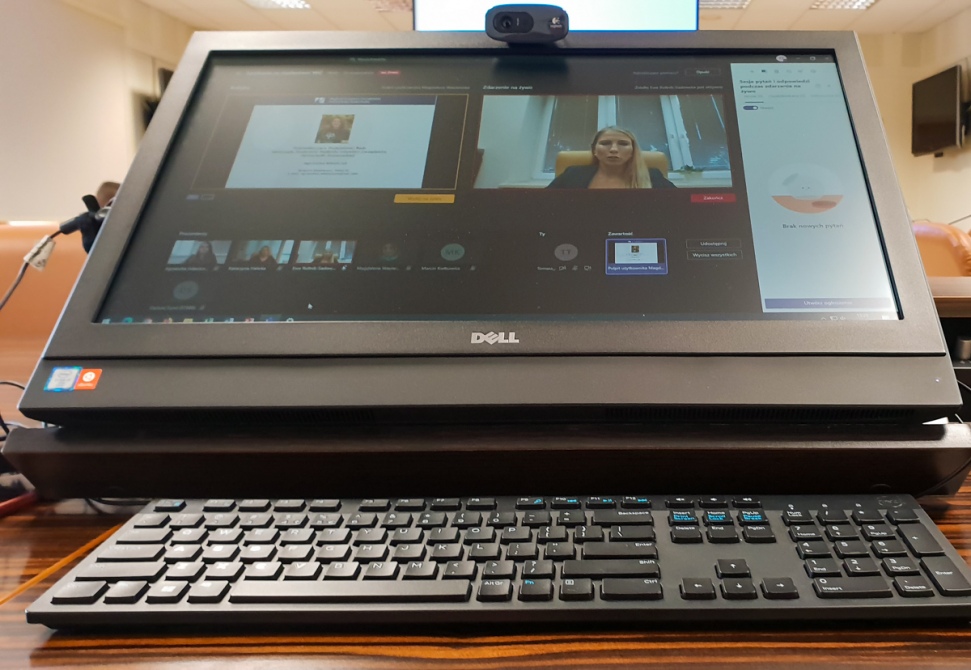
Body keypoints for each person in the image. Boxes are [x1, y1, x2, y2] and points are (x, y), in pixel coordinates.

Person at [546, 127, 676, 189]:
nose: (614, 149)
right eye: (605, 143)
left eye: (623, 144)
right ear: (594, 150)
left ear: (633, 151)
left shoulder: (653, 176)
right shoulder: (573, 174)